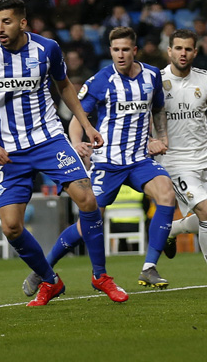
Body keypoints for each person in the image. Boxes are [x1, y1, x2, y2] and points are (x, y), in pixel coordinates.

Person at [0, 0, 128, 307]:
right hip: (9, 150)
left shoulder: (46, 48)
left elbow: (64, 86)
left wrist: (86, 124)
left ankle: (101, 276)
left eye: (7, 21)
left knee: (88, 199)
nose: (0, 28)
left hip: (49, 140)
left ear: (23, 23)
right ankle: (50, 281)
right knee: (11, 227)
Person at [22, 26, 176, 293]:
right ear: (110, 51)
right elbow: (76, 117)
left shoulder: (152, 76)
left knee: (166, 194)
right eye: (115, 50)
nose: (120, 54)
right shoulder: (100, 81)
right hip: (107, 163)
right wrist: (76, 143)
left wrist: (161, 137)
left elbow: (159, 108)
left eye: (125, 49)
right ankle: (43, 269)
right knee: (86, 225)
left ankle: (149, 267)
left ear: (135, 51)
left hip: (139, 160)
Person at [157, 29, 207, 264]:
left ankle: (173, 229)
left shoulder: (204, 79)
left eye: (188, 48)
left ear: (195, 52)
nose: (183, 53)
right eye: (178, 48)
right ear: (169, 51)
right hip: (176, 163)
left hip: (205, 157)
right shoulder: (156, 82)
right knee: (206, 211)